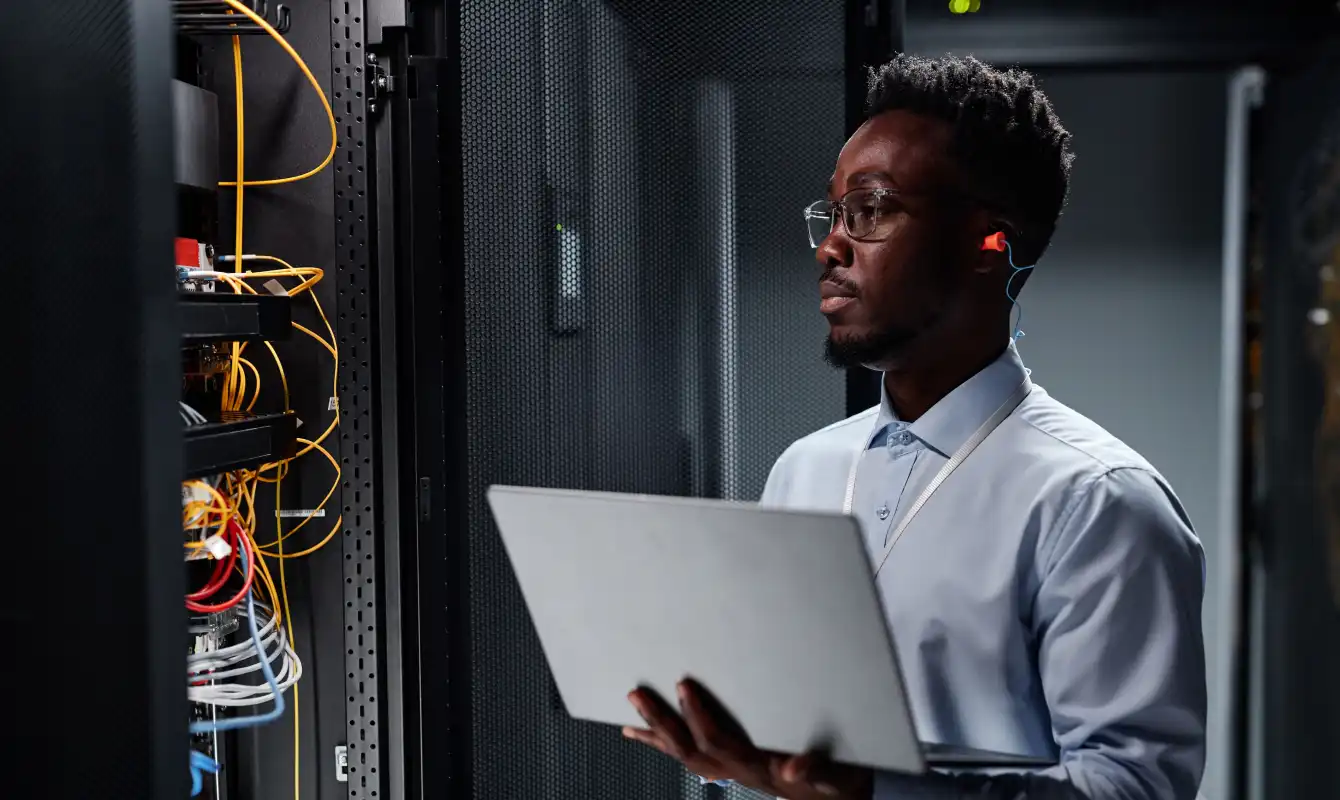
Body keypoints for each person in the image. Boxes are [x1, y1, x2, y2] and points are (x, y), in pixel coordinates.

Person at [621, 54, 1207, 799]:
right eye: (831, 216)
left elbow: (1134, 787)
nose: (833, 247)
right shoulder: (805, 469)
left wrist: (876, 791)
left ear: (989, 243)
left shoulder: (1096, 501)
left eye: (870, 210)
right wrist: (726, 745)